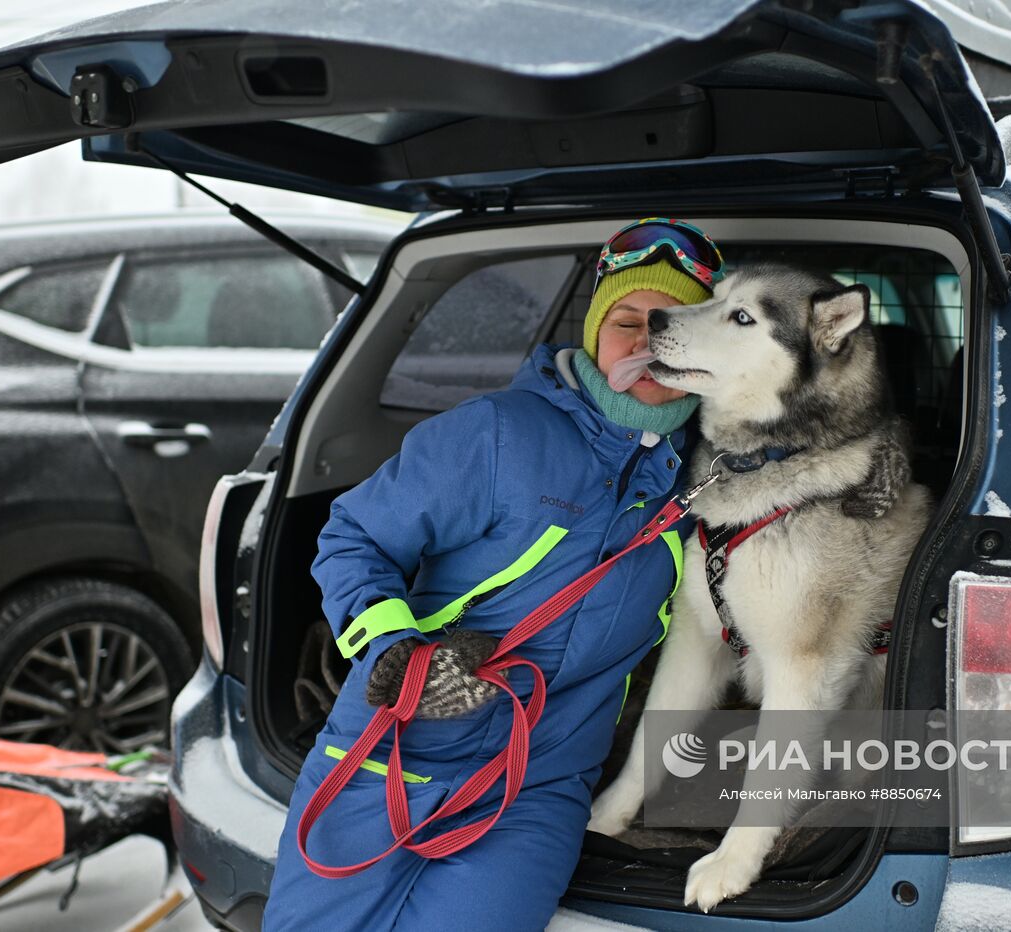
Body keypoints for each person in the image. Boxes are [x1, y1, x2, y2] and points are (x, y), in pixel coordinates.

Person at [263, 218, 726, 931]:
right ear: (597, 331)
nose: (642, 342)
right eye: (625, 321)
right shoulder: (498, 432)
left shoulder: (712, 481)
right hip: (389, 752)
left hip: (533, 793)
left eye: (668, 325)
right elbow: (352, 535)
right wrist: (393, 649)